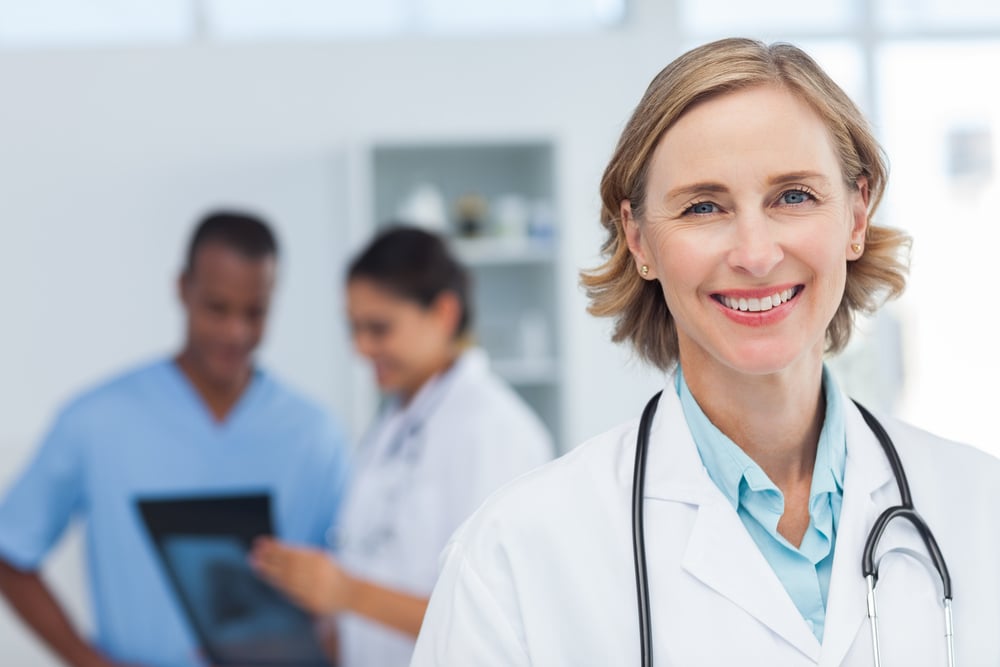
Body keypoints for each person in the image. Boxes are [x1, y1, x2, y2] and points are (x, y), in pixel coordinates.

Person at [410, 38, 1000, 665]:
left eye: (793, 196)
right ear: (638, 239)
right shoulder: (511, 559)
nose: (755, 253)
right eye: (703, 206)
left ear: (856, 217)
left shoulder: (981, 508)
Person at [0, 211, 352, 667]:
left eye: (255, 312)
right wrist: (85, 660)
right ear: (183, 289)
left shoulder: (315, 435)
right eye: (217, 308)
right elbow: (10, 551)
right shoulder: (96, 421)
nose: (236, 332)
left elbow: (349, 590)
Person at [250, 225, 553, 667]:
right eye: (353, 328)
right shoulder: (392, 425)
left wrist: (346, 593)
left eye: (379, 328)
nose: (361, 347)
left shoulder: (493, 430)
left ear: (444, 314)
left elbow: (500, 618)